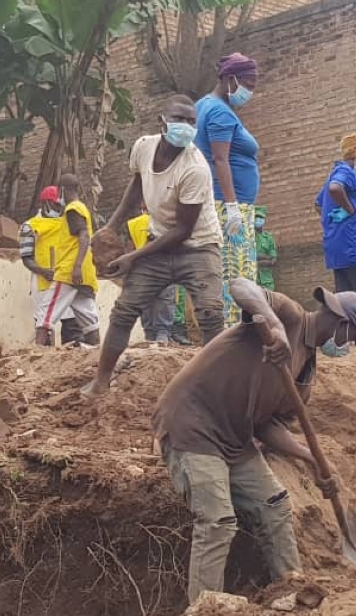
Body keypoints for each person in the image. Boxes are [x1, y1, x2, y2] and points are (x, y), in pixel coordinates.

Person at [151, 278, 356, 601]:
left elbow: (267, 428)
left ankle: (291, 589)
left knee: (275, 504)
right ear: (342, 322)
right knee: (218, 521)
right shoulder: (289, 315)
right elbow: (240, 287)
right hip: (192, 423)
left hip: (233, 438)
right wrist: (275, 326)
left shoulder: (305, 378)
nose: (350, 346)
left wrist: (309, 458)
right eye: (353, 337)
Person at [82, 95, 225, 397]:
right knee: (123, 311)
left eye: (191, 121)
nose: (185, 126)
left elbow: (183, 231)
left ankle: (218, 389)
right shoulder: (144, 147)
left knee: (211, 313)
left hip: (198, 247)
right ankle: (101, 381)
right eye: (179, 119)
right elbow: (136, 186)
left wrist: (133, 256)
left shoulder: (195, 168)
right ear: (162, 121)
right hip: (157, 241)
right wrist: (112, 226)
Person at [195, 53, 261, 327]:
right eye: (248, 83)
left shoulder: (203, 105)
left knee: (224, 272)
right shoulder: (219, 111)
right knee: (235, 275)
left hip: (223, 203)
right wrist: (232, 206)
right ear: (229, 78)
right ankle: (232, 334)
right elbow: (220, 159)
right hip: (228, 207)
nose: (251, 91)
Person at [316, 133, 356, 329]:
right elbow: (335, 189)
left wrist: (334, 223)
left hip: (337, 246)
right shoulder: (346, 172)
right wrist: (351, 210)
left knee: (344, 296)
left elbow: (318, 203)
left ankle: (347, 339)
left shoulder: (334, 173)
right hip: (355, 244)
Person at [33, 174, 100, 347]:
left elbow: (83, 236)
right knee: (88, 316)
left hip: (69, 271)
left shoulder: (72, 209)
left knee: (46, 312)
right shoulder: (82, 208)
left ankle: (36, 351)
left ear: (62, 190)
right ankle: (96, 351)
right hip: (85, 273)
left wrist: (76, 266)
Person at [19, 186, 81, 345]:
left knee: (73, 330)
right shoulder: (30, 226)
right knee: (44, 328)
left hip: (66, 282)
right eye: (57, 204)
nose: (61, 207)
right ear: (46, 203)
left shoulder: (70, 224)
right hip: (43, 285)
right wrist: (43, 271)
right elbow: (26, 258)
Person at [126, 207, 177, 344]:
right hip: (164, 265)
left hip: (142, 267)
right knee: (165, 299)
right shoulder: (165, 221)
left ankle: (149, 334)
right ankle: (163, 333)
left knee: (146, 302)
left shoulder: (133, 223)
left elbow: (130, 248)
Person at [254, 206, 277, 291]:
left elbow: (273, 260)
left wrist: (258, 260)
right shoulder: (249, 237)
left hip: (267, 280)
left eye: (261, 218)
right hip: (253, 279)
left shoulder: (268, 238)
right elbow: (249, 256)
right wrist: (266, 258)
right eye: (257, 217)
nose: (259, 220)